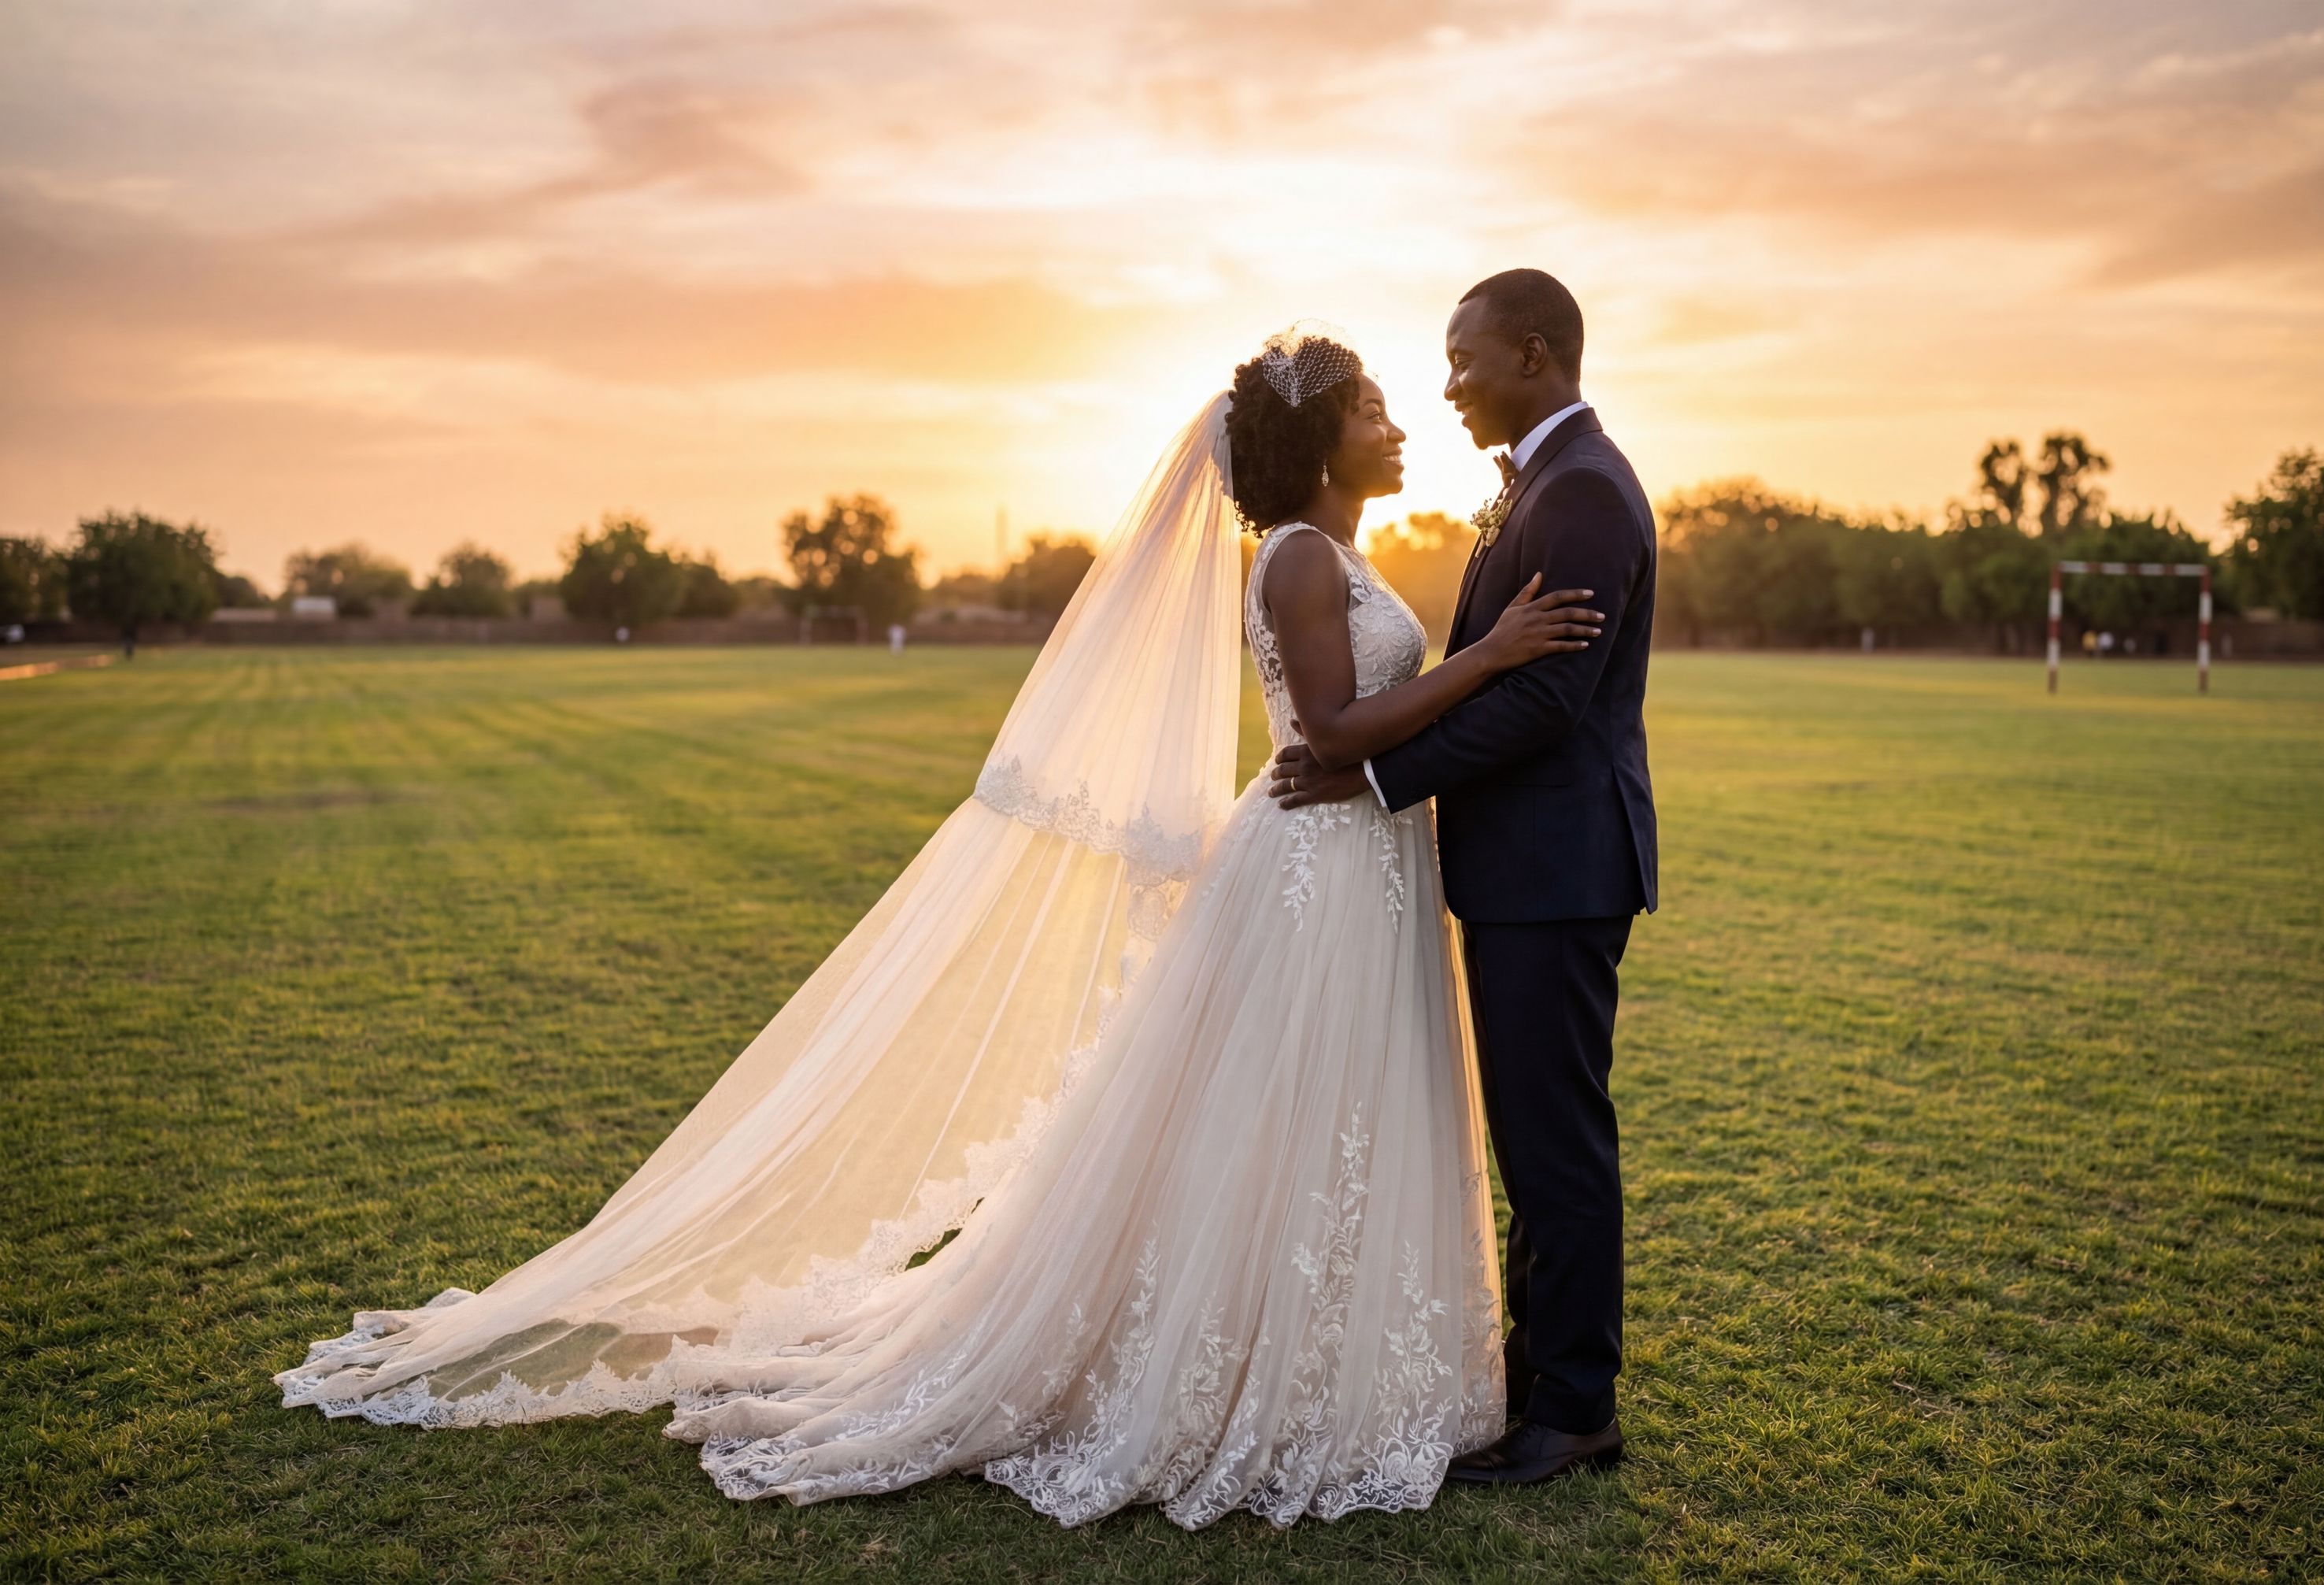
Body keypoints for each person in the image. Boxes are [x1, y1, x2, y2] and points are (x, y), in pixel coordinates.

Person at [276, 324, 1607, 1528]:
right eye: (1374, 403)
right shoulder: (1303, 557)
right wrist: (1487, 659)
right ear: (1320, 439)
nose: (1398, 419)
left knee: (1336, 1111)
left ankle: (1327, 1346)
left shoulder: (1338, 552)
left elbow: (1357, 724)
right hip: (1316, 868)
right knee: (1290, 1105)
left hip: (1354, 863)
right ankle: (1257, 1360)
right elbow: (1328, 731)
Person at [1274, 268, 1657, 1484]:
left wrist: (1380, 777)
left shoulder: (1585, 490)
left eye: (1462, 361)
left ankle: (1575, 1405)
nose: (1447, 387)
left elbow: (1548, 696)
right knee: (1538, 1139)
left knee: (1555, 1143)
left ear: (1533, 355)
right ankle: (1546, 1382)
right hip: (1518, 870)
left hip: (1556, 868)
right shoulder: (1545, 484)